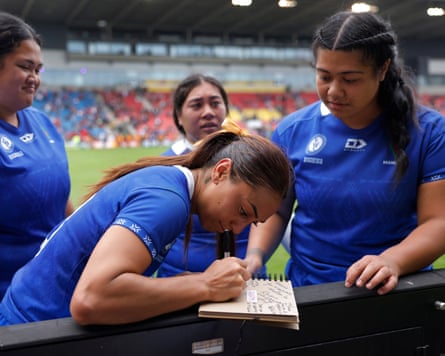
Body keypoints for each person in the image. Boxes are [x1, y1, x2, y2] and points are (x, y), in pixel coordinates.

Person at [0, 124, 292, 326]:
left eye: (252, 222)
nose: (238, 229)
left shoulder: (168, 183)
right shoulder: (167, 200)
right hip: (35, 328)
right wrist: (205, 284)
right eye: (243, 211)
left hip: (29, 318)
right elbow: (91, 299)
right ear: (221, 171)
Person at [245, 10, 445, 296]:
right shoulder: (292, 131)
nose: (334, 91)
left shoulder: (430, 132)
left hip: (393, 293)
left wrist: (392, 261)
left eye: (350, 80)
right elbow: (276, 209)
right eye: (324, 76)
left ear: (383, 69)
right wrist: (255, 255)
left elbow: (439, 221)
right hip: (310, 293)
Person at [0, 12, 73, 298]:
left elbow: (59, 201)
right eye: (25, 67)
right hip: (10, 298)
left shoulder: (42, 122)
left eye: (38, 70)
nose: (34, 79)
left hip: (56, 283)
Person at [157, 74, 257, 277]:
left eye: (215, 103)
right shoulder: (166, 166)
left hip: (246, 279)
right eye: (196, 105)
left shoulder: (251, 156)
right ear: (178, 115)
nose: (208, 112)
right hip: (181, 283)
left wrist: (256, 257)